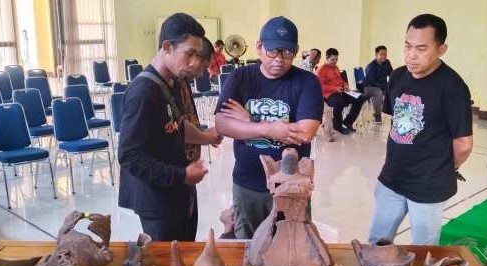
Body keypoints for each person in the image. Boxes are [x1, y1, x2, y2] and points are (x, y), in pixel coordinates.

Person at [368, 14, 473, 245]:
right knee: (376, 243)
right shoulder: (397, 76)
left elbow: (463, 144)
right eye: (407, 46)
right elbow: (396, 124)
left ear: (441, 49)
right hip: (392, 177)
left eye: (422, 48)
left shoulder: (453, 87)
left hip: (429, 184)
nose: (411, 55)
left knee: (423, 251)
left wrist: (444, 166)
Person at [215, 16, 323, 239]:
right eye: (273, 51)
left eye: (287, 53)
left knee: (291, 246)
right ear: (259, 46)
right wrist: (270, 129)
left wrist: (249, 120)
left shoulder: (307, 82)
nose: (279, 60)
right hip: (248, 183)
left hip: (291, 187)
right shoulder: (240, 77)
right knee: (247, 247)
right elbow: (222, 124)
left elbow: (304, 133)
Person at [118, 13, 220, 242]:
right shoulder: (143, 92)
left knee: (184, 255)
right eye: (189, 54)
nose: (195, 63)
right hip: (157, 199)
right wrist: (181, 175)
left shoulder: (173, 82)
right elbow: (129, 156)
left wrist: (205, 138)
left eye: (198, 54)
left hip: (177, 190)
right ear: (167, 47)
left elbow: (176, 125)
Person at [317, 48, 365, 135]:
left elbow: (340, 80)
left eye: (336, 59)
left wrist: (345, 84)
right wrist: (335, 88)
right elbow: (320, 86)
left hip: (341, 91)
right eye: (332, 59)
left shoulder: (336, 67)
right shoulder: (322, 70)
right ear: (327, 58)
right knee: (339, 102)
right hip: (329, 94)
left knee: (360, 98)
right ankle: (338, 126)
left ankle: (348, 121)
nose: (335, 61)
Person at [364, 45, 393, 124]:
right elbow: (372, 82)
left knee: (395, 89)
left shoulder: (387, 62)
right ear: (376, 55)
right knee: (378, 92)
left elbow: (391, 74)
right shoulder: (371, 67)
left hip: (383, 86)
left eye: (385, 54)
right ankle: (377, 115)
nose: (384, 56)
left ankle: (395, 114)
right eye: (381, 54)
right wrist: (384, 87)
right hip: (370, 86)